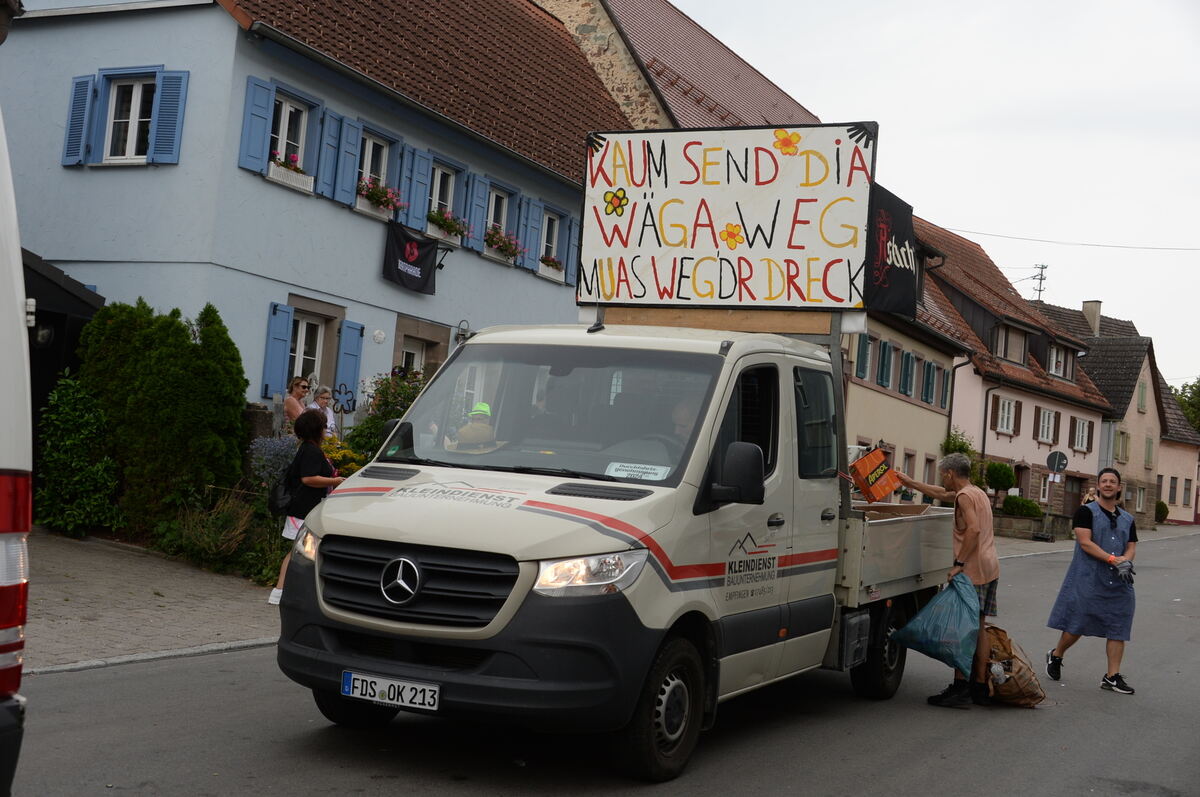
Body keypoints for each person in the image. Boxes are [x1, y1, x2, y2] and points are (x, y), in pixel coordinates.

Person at [896, 452, 1000, 707]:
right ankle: (980, 685)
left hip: (973, 569)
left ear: (950, 473)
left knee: (962, 627)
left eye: (943, 473)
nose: (942, 478)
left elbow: (973, 529)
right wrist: (910, 483)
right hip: (991, 565)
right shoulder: (976, 492)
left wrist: (958, 564)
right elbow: (942, 494)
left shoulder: (964, 497)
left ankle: (960, 688)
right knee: (979, 624)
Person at [1045, 467, 1137, 694]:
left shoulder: (1128, 518)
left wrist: (1126, 560)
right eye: (1104, 481)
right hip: (1089, 579)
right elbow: (1085, 542)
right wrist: (1113, 559)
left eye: (1112, 481)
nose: (1107, 484)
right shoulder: (1086, 512)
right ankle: (1056, 655)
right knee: (1077, 624)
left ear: (1118, 487)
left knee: (1118, 626)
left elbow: (1132, 545)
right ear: (1098, 485)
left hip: (1119, 582)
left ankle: (1112, 676)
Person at [268, 409, 345, 605]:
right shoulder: (311, 450)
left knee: (300, 551)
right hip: (303, 509)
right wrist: (334, 481)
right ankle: (280, 590)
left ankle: (284, 590)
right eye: (323, 426)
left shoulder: (306, 448)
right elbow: (308, 478)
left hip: (304, 508)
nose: (326, 430)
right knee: (298, 552)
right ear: (316, 429)